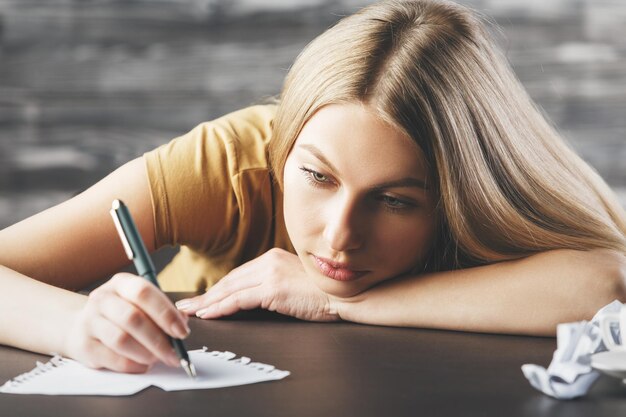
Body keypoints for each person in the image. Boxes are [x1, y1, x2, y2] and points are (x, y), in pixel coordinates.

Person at [1, 0, 625, 374]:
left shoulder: (486, 190)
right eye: (317, 176)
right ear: (283, 147)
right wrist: (78, 325)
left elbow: (605, 286)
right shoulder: (231, 161)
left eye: (395, 201)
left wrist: (338, 301)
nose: (338, 235)